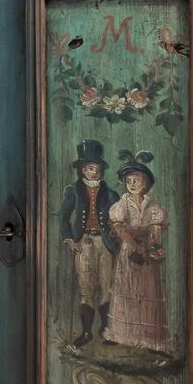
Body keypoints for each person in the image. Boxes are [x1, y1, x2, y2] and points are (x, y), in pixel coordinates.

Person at [106, 152, 173, 352]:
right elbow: (119, 229)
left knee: (147, 291)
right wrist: (136, 246)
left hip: (147, 251)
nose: (133, 184)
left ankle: (149, 337)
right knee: (128, 289)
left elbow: (157, 227)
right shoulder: (122, 204)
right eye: (129, 181)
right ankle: (122, 334)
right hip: (129, 250)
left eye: (137, 180)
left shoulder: (152, 205)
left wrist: (150, 242)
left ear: (146, 183)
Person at [59, 140, 118, 346]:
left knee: (106, 284)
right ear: (82, 170)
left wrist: (116, 238)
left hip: (105, 243)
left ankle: (106, 329)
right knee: (86, 286)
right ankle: (86, 332)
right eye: (90, 168)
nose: (94, 172)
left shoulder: (110, 193)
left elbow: (118, 221)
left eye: (97, 168)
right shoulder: (73, 191)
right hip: (83, 242)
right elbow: (63, 216)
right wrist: (69, 239)